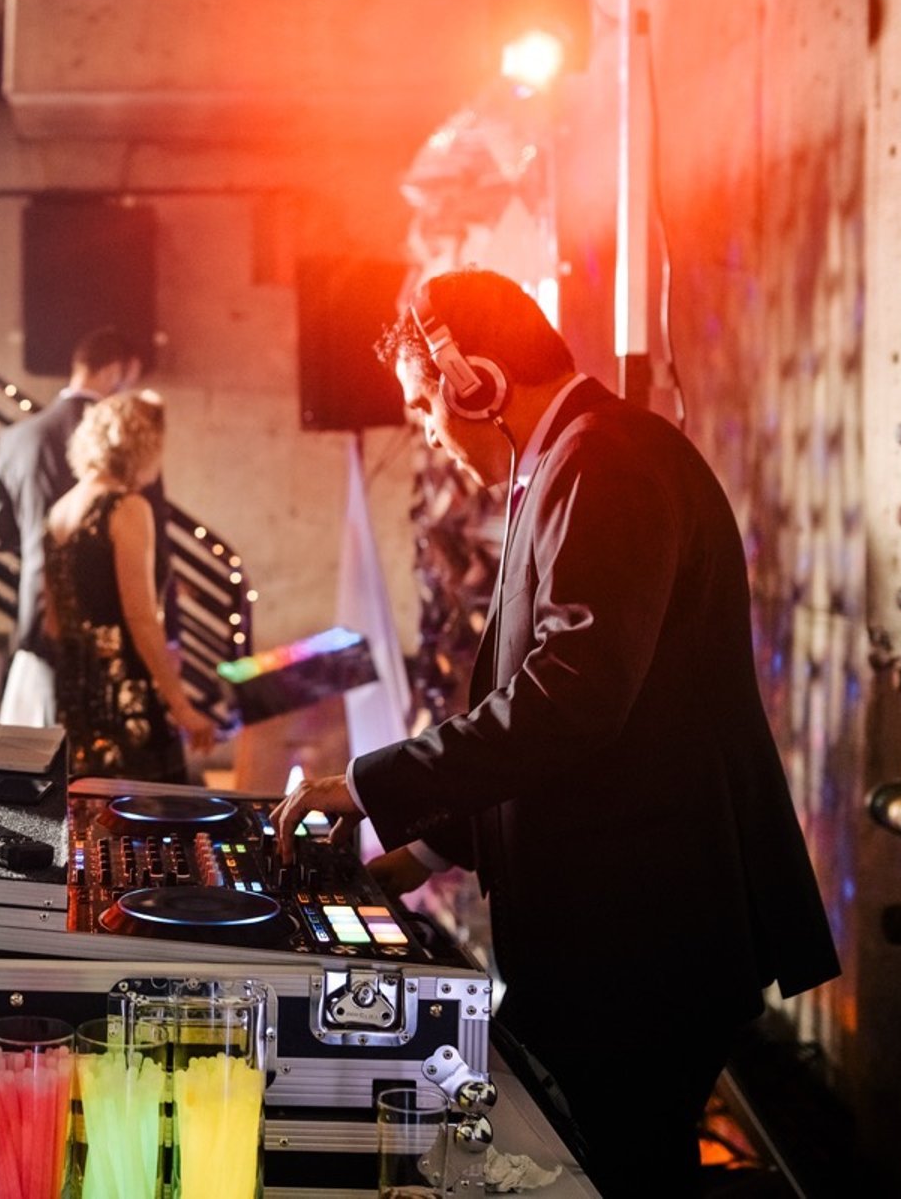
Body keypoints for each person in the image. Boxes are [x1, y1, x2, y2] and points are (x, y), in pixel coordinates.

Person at [272, 269, 839, 1196]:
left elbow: (572, 697)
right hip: (616, 935)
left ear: (478, 384)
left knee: (611, 1174)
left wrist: (375, 786)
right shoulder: (574, 459)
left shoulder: (605, 462)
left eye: (425, 406)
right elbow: (555, 718)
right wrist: (432, 848)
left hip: (639, 940)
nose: (428, 433)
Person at [0, 329, 170, 726]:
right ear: (113, 372)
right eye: (130, 380)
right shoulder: (128, 443)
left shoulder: (17, 438)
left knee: (36, 751)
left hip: (38, 621)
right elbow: (156, 554)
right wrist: (170, 638)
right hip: (110, 635)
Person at [44, 391, 216, 781]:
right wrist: (182, 706)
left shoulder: (59, 510)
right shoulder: (127, 507)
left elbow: (54, 622)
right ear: (143, 446)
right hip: (127, 697)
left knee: (89, 808)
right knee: (151, 811)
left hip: (74, 696)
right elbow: (140, 618)